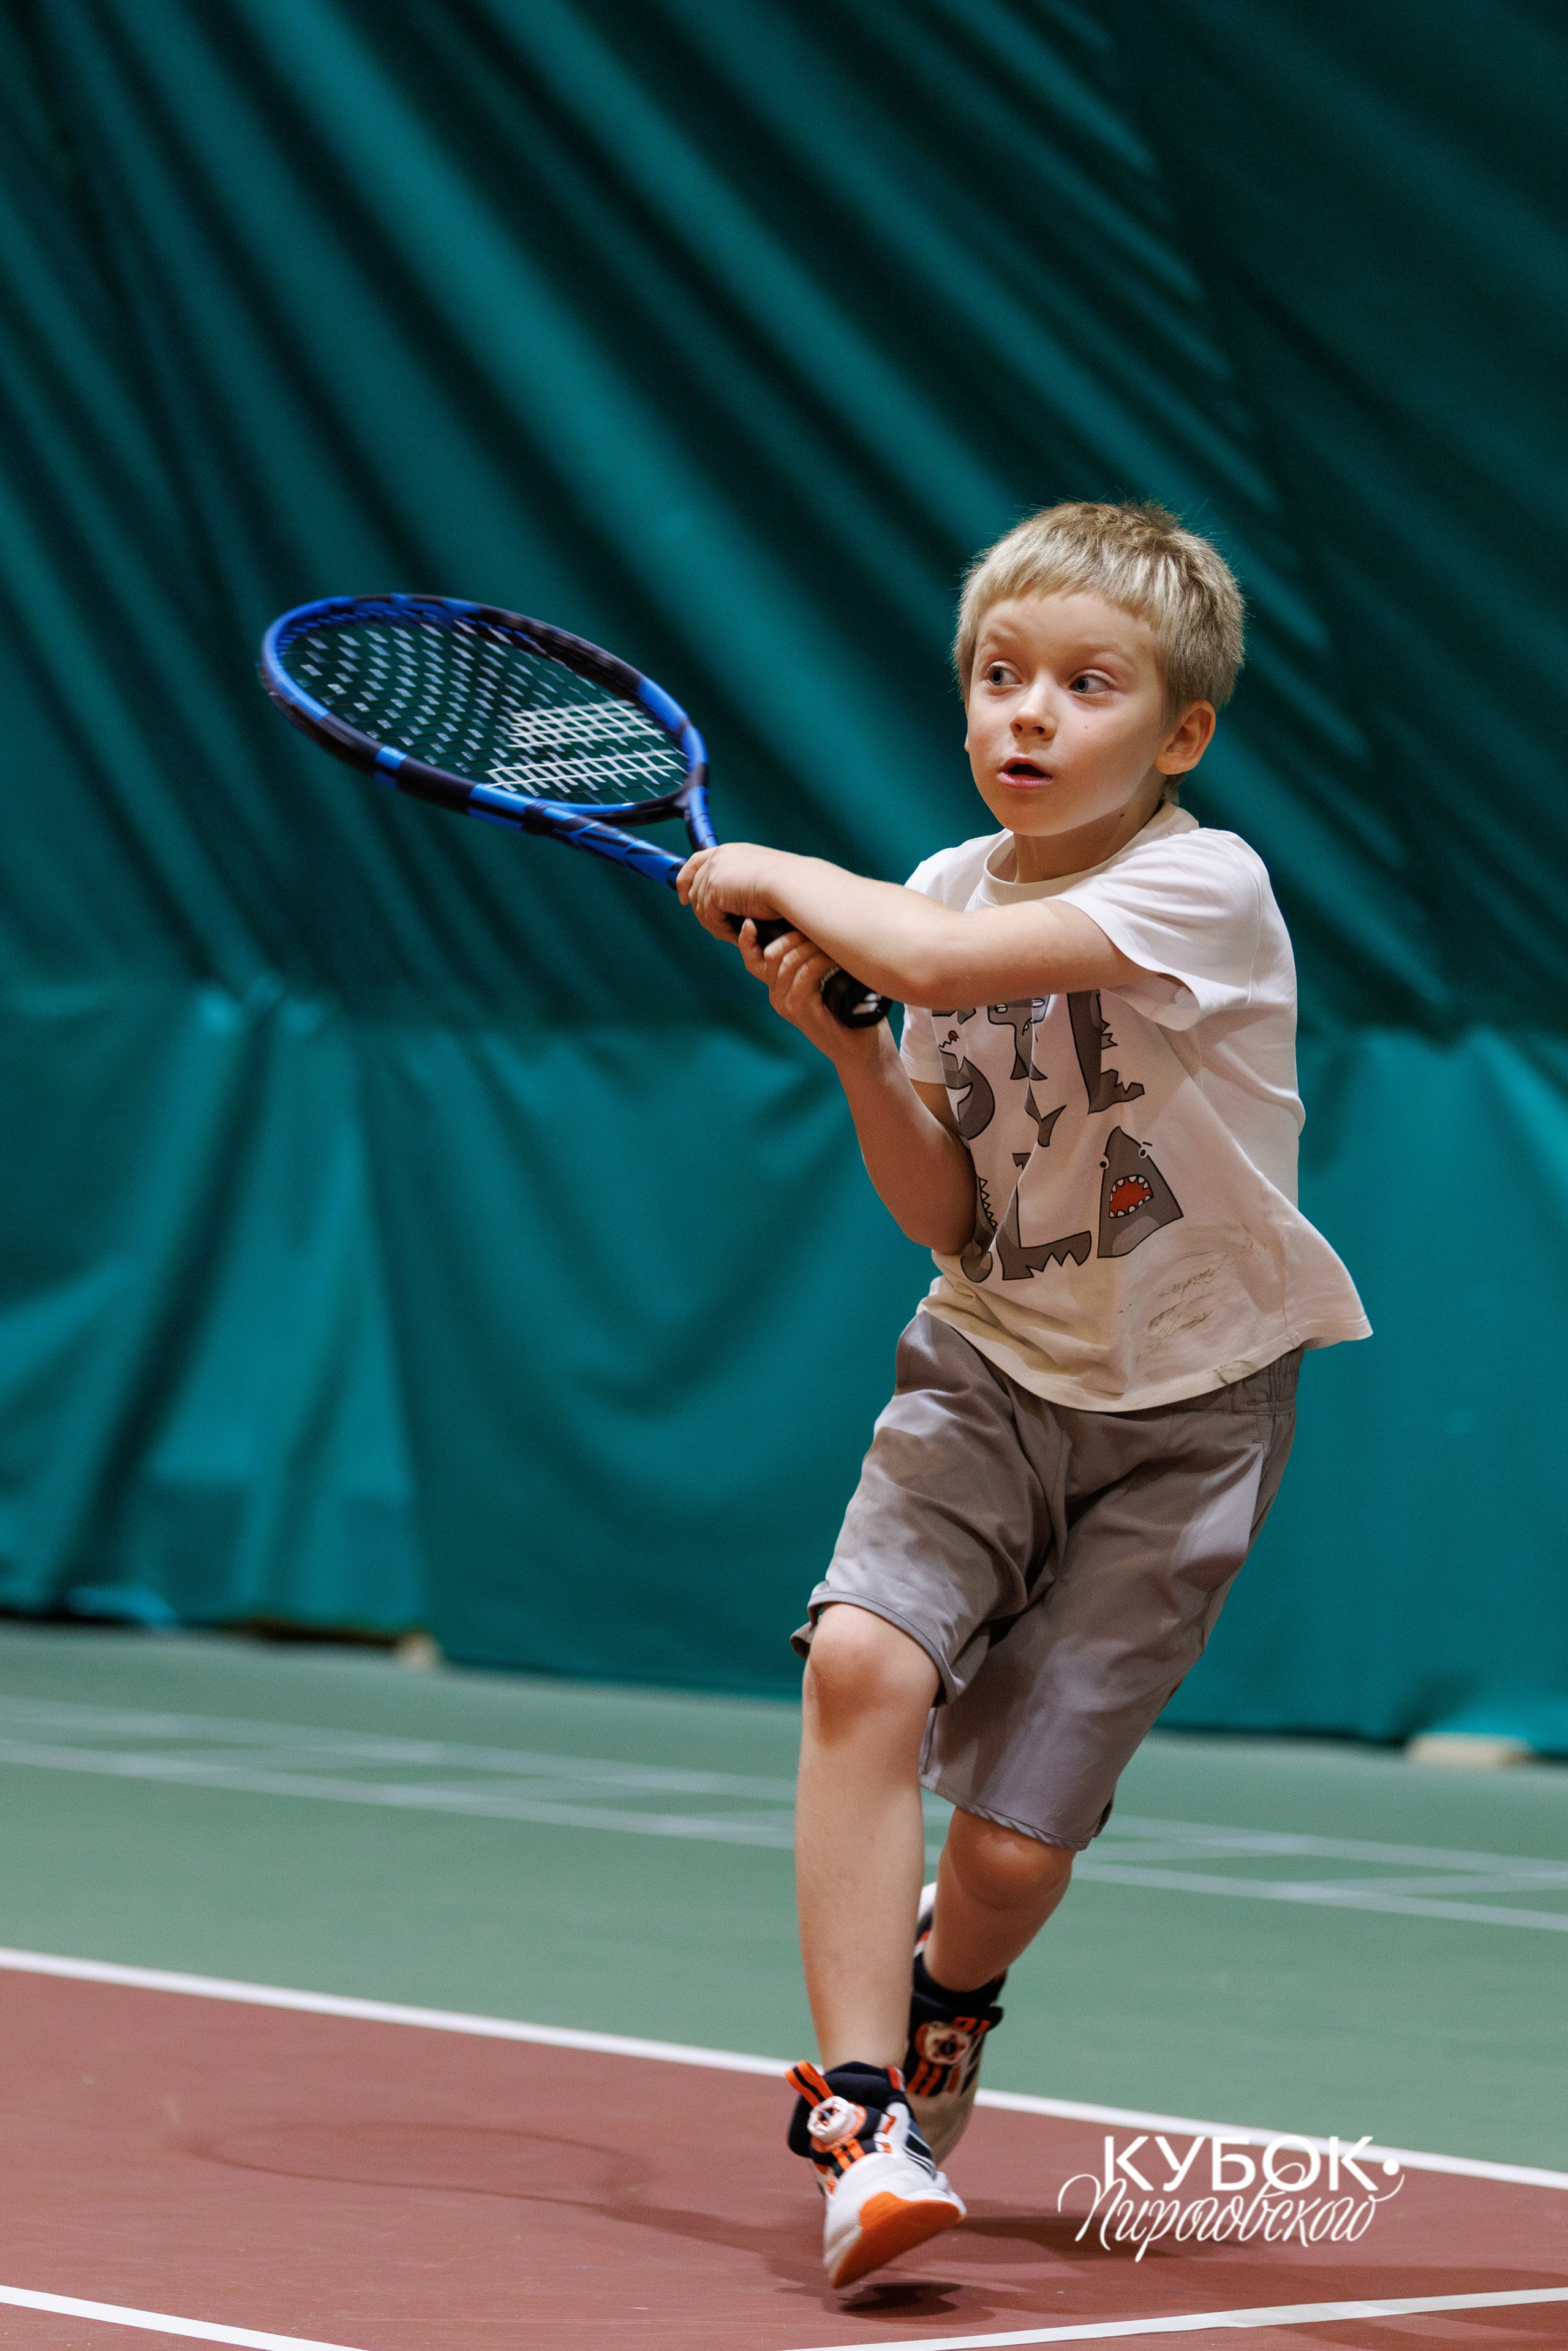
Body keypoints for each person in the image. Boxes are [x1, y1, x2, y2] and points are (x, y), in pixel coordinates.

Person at [680, 500, 1370, 2290]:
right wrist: (848, 1052)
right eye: (1000, 677)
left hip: (1196, 1416)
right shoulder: (929, 895)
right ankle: (859, 2111)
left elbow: (943, 967)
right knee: (860, 1661)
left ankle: (951, 1989)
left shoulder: (1200, 887)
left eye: (1087, 683)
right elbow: (950, 1207)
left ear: (1182, 733)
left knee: (1006, 1856)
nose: (1030, 716)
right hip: (989, 1364)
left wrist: (773, 871)